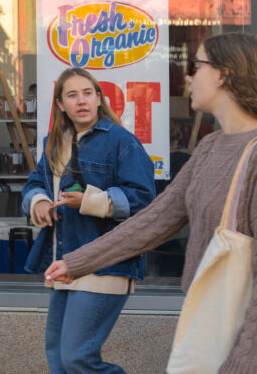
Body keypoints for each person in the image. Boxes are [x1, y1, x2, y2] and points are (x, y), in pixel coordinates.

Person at [45, 33, 257, 374]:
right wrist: (78, 262)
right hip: (207, 326)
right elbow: (155, 220)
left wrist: (243, 362)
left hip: (241, 345)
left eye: (196, 66)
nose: (187, 77)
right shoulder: (209, 147)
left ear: (224, 74)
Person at [21, 67, 155, 373]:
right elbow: (34, 184)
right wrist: (39, 201)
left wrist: (92, 201)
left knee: (77, 359)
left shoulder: (121, 140)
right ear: (60, 105)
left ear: (98, 99)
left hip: (104, 263)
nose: (81, 101)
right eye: (72, 95)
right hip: (64, 261)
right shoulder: (55, 142)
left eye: (87, 93)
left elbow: (145, 199)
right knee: (58, 359)